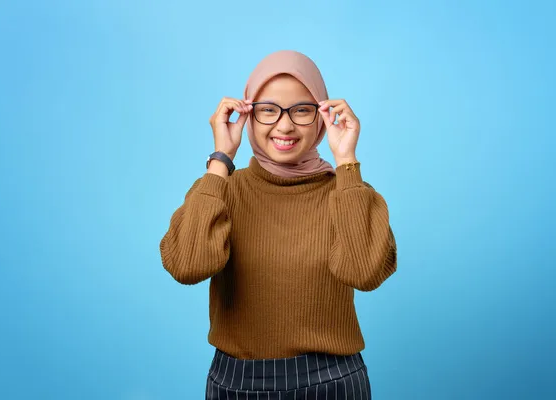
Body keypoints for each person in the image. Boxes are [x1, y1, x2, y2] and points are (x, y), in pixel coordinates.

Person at [159, 50, 397, 399]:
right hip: (237, 383)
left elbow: (365, 272)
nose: (284, 125)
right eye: (268, 110)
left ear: (322, 116)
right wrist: (221, 159)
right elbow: (187, 265)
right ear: (247, 114)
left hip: (332, 382)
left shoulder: (348, 192)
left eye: (302, 110)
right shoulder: (221, 189)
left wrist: (346, 160)